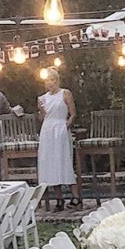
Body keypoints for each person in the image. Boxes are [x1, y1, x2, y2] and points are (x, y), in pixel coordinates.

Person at [37, 69, 78, 207]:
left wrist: (66, 126)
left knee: (64, 160)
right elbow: (42, 117)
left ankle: (75, 196)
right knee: (51, 162)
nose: (50, 83)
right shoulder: (43, 98)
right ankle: (59, 198)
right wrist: (41, 110)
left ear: (57, 80)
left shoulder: (65, 93)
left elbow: (73, 113)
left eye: (52, 80)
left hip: (60, 127)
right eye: (47, 80)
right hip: (47, 130)